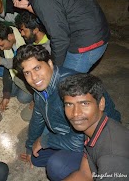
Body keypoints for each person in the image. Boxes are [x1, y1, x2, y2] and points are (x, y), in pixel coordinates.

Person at [13, 45, 121, 180]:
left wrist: (45, 140)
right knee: (36, 158)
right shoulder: (41, 88)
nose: (34, 77)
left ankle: (96, 168)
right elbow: (38, 117)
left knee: (56, 166)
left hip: (97, 138)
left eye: (37, 68)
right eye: (27, 73)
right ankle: (66, 150)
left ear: (50, 63)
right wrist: (30, 145)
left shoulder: (70, 89)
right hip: (69, 132)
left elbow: (79, 140)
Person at [13, 0, 110, 73]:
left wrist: (55, 68)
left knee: (64, 83)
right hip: (97, 33)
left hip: (87, 42)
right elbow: (57, 15)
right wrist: (30, 7)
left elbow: (60, 39)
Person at [59, 74, 129, 180]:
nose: (75, 113)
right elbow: (85, 174)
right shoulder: (93, 128)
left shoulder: (112, 158)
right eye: (69, 104)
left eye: (84, 103)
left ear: (101, 103)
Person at [0, 22, 33, 112]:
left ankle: (34, 95)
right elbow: (7, 70)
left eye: (2, 45)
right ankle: (21, 86)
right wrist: (6, 95)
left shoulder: (26, 38)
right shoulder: (6, 48)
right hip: (19, 74)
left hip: (31, 74)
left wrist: (3, 61)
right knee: (10, 92)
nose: (1, 49)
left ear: (9, 37)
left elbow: (27, 64)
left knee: (22, 98)